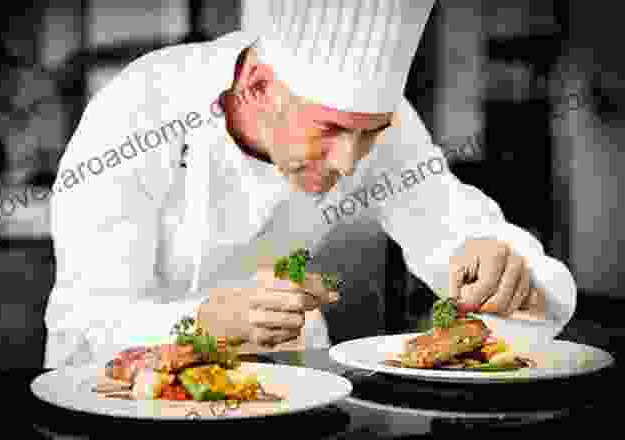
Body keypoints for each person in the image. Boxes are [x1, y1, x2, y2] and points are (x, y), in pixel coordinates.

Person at [44, 0, 576, 368]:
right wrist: (201, 320)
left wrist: (498, 267)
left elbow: (460, 229)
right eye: (331, 131)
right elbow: (82, 329)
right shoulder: (138, 109)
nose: (349, 162)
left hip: (289, 386)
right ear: (256, 86)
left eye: (370, 135)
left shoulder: (371, 117)